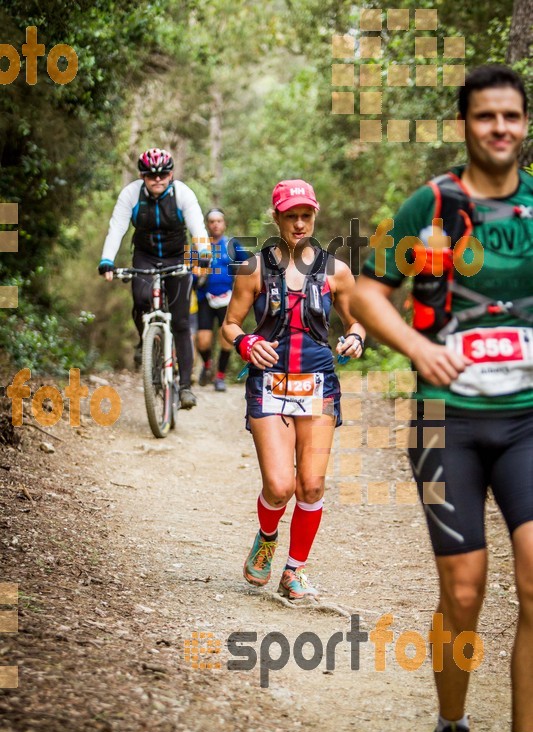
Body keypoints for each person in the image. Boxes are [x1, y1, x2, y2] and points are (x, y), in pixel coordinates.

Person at [352, 65, 533, 732]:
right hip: (442, 423)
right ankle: (449, 731)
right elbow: (363, 290)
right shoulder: (429, 206)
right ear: (463, 124)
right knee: (464, 593)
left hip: (525, 420)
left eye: (511, 117)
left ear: (524, 125)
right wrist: (417, 348)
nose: (499, 129)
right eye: (485, 117)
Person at [222, 179, 365, 601]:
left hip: (318, 383)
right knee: (281, 486)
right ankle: (267, 537)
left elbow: (356, 322)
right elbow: (230, 323)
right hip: (269, 383)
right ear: (277, 217)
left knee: (312, 486)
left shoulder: (336, 271)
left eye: (306, 215)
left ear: (315, 215)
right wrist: (245, 342)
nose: (299, 223)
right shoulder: (254, 268)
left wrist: (355, 337)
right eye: (290, 216)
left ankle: (294, 571)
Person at [98, 147, 211, 409]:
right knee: (140, 299)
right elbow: (117, 227)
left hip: (177, 258)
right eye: (151, 176)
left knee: (182, 322)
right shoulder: (131, 194)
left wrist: (203, 251)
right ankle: (145, 342)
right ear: (142, 176)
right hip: (145, 256)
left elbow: (197, 225)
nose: (157, 180)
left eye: (163, 175)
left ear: (171, 175)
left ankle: (184, 387)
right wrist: (107, 260)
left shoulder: (182, 193)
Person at [197, 209, 247, 391]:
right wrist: (197, 275)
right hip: (204, 298)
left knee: (226, 338)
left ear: (224, 224)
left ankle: (220, 377)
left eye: (219, 221)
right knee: (203, 340)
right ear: (207, 225)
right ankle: (207, 365)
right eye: (212, 221)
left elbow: (248, 264)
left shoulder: (232, 245)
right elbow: (189, 271)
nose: (216, 224)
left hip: (227, 299)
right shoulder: (199, 246)